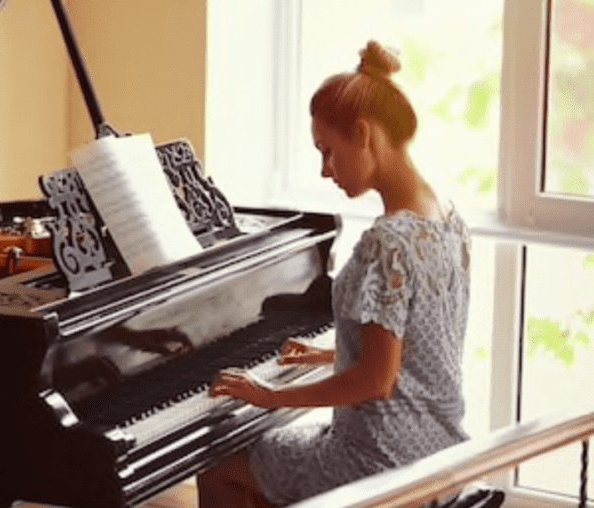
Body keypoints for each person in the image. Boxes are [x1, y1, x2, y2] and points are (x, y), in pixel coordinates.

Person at [197, 40, 472, 507]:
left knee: (217, 467)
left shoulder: (388, 242)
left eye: (327, 151)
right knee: (266, 463)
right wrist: (332, 354)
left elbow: (374, 382)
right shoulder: (448, 219)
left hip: (380, 465)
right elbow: (414, 349)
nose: (326, 170)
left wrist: (269, 395)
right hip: (440, 450)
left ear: (363, 135)